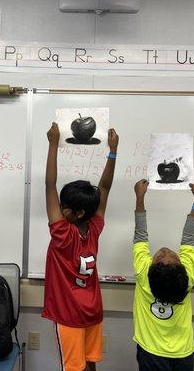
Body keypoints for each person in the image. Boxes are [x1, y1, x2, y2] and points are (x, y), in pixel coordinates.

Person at [43, 122, 119, 371]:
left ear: (77, 213)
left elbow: (49, 186)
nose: (60, 208)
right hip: (93, 311)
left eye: (65, 206)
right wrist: (113, 151)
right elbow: (104, 188)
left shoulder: (62, 233)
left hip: (70, 316)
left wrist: (53, 144)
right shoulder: (95, 227)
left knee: (73, 368)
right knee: (91, 365)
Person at [132, 179, 194, 371]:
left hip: (150, 352)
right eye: (171, 255)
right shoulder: (186, 278)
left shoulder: (143, 274)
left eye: (161, 257)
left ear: (151, 268)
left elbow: (141, 235)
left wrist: (140, 198)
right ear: (181, 266)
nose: (165, 251)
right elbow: (189, 238)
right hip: (183, 352)